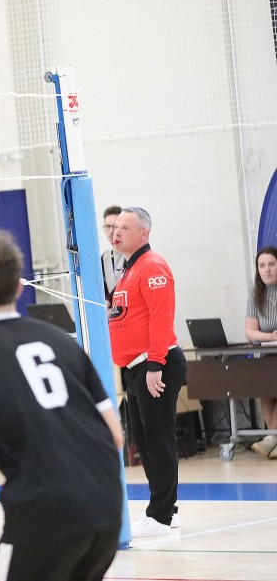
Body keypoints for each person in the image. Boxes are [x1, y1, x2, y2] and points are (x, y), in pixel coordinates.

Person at [0, 232, 122, 580]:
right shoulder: (62, 343)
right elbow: (114, 435)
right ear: (20, 287)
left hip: (43, 515)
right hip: (106, 510)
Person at [108, 206, 186, 537]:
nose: (116, 232)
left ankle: (160, 516)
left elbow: (161, 317)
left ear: (144, 233)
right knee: (144, 440)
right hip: (136, 368)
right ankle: (168, 509)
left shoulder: (152, 267)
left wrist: (155, 364)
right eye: (115, 227)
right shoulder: (129, 269)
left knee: (158, 440)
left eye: (124, 227)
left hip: (156, 365)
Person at [244, 245, 277, 458]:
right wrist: (271, 337)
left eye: (272, 264)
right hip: (268, 355)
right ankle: (274, 438)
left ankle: (272, 438)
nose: (267, 270)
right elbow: (250, 332)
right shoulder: (255, 295)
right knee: (265, 384)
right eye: (262, 265)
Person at [100, 205, 125, 305]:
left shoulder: (132, 254)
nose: (111, 231)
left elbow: (126, 283)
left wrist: (109, 301)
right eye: (108, 226)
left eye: (115, 226)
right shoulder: (104, 258)